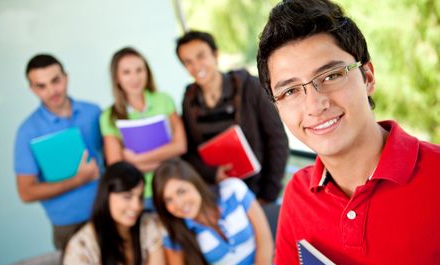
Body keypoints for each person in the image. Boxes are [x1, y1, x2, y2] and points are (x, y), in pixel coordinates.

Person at [256, 0, 440, 265]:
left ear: (367, 76)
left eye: (330, 76)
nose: (315, 105)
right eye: (290, 91)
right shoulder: (298, 194)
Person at [176, 30, 289, 205]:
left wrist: (268, 194)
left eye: (201, 56)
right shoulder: (189, 99)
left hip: (257, 192)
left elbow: (277, 140)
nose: (196, 66)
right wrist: (212, 174)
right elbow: (189, 151)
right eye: (188, 62)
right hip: (218, 194)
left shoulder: (249, 86)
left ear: (215, 55)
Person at [152, 158, 276, 265]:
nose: (178, 204)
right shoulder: (174, 230)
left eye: (181, 192)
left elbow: (265, 242)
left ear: (195, 183)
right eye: (168, 200)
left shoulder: (233, 190)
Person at [14, 54, 103, 250]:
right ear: (32, 89)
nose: (52, 91)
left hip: (109, 212)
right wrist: (79, 179)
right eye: (41, 86)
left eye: (55, 81)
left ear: (66, 77)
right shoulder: (27, 131)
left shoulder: (93, 112)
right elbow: (26, 192)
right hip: (69, 226)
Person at [63, 161, 167, 265]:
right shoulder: (81, 244)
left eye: (140, 197)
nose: (136, 206)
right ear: (106, 196)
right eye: (127, 197)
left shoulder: (149, 224)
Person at [100, 47, 186, 209]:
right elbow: (117, 167)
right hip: (141, 195)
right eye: (126, 72)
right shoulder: (109, 116)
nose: (135, 78)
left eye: (139, 70)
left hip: (174, 185)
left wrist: (136, 160)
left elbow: (181, 146)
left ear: (147, 72)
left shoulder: (164, 100)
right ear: (117, 78)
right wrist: (166, 159)